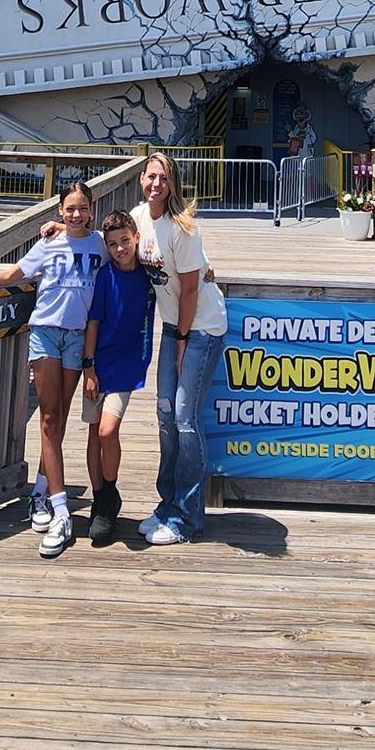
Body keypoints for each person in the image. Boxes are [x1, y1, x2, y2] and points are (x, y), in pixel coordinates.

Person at [0, 178, 101, 558]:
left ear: (91, 210)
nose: (75, 213)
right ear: (59, 210)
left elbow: (127, 250)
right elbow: (14, 275)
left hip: (78, 338)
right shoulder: (48, 244)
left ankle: (40, 492)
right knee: (48, 418)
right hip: (45, 332)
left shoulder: (99, 245)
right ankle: (59, 508)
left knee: (58, 419)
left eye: (82, 208)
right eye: (69, 209)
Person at [132, 151, 227, 546]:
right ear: (141, 179)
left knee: (186, 419)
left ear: (173, 185)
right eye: (151, 177)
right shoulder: (139, 219)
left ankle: (188, 517)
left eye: (164, 179)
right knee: (165, 414)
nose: (156, 185)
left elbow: (190, 289)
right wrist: (58, 228)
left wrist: (183, 340)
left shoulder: (182, 229)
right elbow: (115, 246)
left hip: (200, 328)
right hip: (174, 327)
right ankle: (166, 504)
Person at [79, 210, 157, 547]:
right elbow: (93, 323)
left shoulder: (151, 275)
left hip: (128, 365)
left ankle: (110, 491)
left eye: (125, 241)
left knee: (109, 430)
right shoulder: (104, 275)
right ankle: (101, 503)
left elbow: (185, 274)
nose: (120, 248)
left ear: (136, 237)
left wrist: (208, 271)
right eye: (112, 244)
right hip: (99, 365)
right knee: (94, 434)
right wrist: (88, 367)